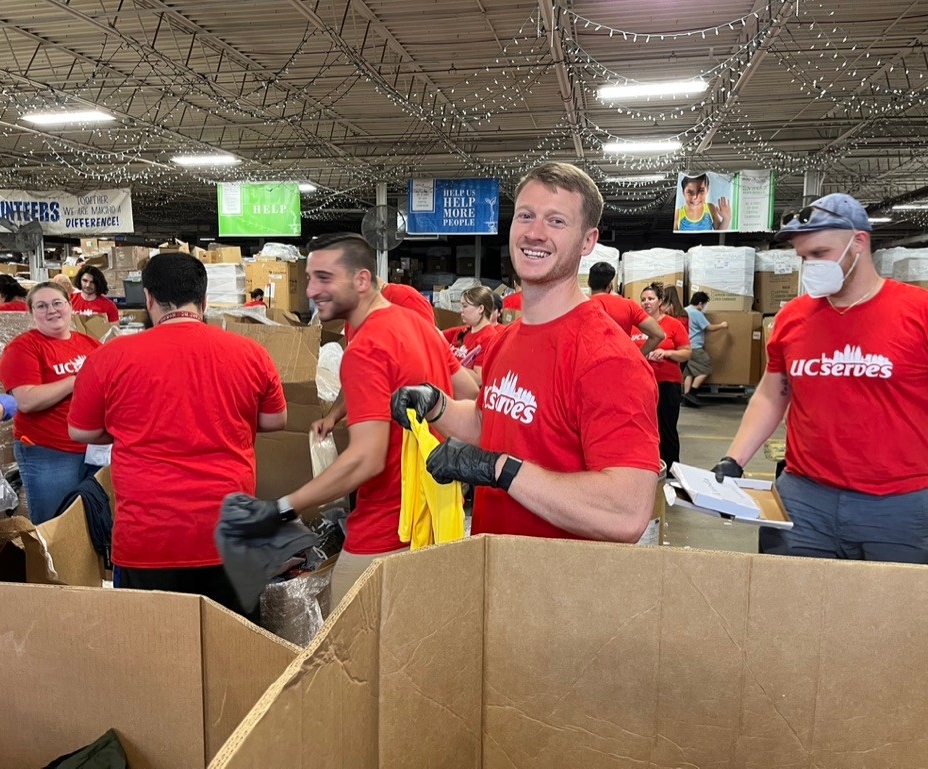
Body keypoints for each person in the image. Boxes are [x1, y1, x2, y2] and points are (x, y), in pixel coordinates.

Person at [392, 162, 661, 542]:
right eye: (526, 216)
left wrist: (501, 469)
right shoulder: (507, 338)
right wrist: (437, 406)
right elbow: (494, 423)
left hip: (558, 589)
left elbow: (627, 511)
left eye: (556, 221)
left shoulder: (608, 359)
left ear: (587, 241)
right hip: (495, 568)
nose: (535, 233)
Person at [221, 233, 476, 604]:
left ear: (361, 280)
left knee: (345, 647)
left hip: (386, 527)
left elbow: (366, 459)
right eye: (309, 278)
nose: (310, 290)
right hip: (433, 517)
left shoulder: (367, 348)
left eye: (324, 278)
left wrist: (281, 507)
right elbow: (466, 391)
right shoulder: (416, 324)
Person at [67, 253, 287, 614]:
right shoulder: (250, 353)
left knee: (153, 653)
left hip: (148, 540)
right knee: (234, 654)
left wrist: (131, 428)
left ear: (149, 298)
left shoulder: (109, 358)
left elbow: (81, 430)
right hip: (229, 537)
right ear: (203, 301)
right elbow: (275, 420)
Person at [713, 193, 928, 562]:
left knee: (891, 615)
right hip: (804, 498)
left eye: (819, 254)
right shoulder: (793, 318)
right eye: (803, 258)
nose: (810, 266)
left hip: (900, 506)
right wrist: (734, 458)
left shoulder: (917, 312)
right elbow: (771, 395)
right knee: (796, 608)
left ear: (859, 242)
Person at [0, 282, 102, 523]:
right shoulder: (23, 348)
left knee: (91, 523)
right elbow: (26, 401)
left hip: (93, 449)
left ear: (70, 306)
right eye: (42, 306)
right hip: (50, 452)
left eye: (57, 303)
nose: (52, 310)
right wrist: (75, 381)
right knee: (55, 524)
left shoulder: (88, 344)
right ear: (32, 313)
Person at [632, 283, 691, 468]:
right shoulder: (635, 327)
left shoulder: (673, 325)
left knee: (667, 431)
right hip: (641, 386)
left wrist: (667, 354)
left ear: (660, 301)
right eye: (643, 299)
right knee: (642, 431)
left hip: (666, 384)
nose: (646, 303)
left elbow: (686, 352)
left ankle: (672, 471)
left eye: (651, 299)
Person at [586, 261, 665, 355]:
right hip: (621, 365)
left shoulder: (580, 306)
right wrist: (638, 356)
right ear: (610, 285)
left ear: (589, 283)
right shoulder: (628, 305)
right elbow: (658, 334)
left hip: (590, 366)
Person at [442, 285, 499, 383]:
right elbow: (435, 335)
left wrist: (447, 364)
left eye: (465, 306)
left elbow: (479, 378)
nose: (461, 310)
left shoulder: (489, 338)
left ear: (481, 309)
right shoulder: (463, 331)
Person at [682, 291, 728, 406]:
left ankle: (686, 398)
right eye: (704, 304)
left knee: (689, 372)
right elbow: (709, 327)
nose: (704, 307)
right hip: (696, 347)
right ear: (700, 303)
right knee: (706, 368)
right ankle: (692, 393)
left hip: (685, 346)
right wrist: (722, 325)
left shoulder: (685, 310)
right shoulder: (697, 313)